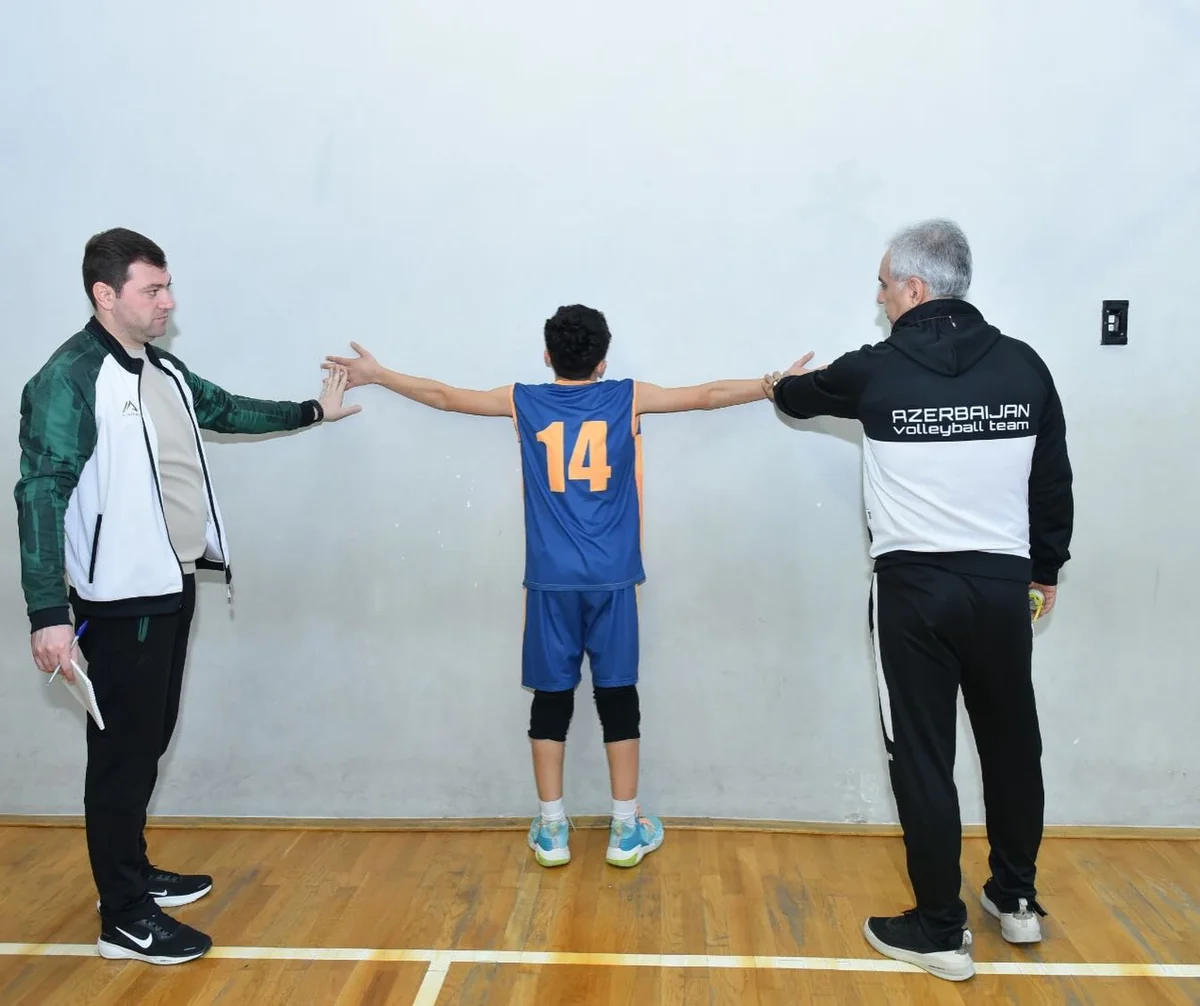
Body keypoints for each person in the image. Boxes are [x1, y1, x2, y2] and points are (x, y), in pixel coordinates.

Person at [326, 306, 801, 869]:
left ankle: (552, 829)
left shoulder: (524, 400)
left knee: (552, 698)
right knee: (618, 695)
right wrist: (772, 384)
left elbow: (445, 397)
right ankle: (625, 828)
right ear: (603, 360)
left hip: (551, 581)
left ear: (548, 354)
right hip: (613, 578)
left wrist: (379, 374)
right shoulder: (626, 397)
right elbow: (707, 395)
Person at [15, 228, 360, 966]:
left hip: (172, 582)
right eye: (152, 289)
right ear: (105, 294)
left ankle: (132, 873)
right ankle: (123, 918)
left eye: (167, 286)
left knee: (149, 739)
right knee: (122, 754)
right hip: (119, 600)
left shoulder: (162, 369)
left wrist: (313, 411)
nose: (168, 300)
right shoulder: (69, 379)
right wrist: (48, 614)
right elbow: (40, 494)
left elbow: (225, 408)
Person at [765, 220, 1072, 982]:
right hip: (1002, 591)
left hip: (914, 596)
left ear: (913, 287)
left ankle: (940, 927)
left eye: (882, 285)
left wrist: (777, 382)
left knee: (923, 758)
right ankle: (1016, 899)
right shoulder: (1025, 367)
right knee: (1012, 746)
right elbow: (1052, 483)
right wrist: (1044, 572)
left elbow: (799, 397)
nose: (879, 297)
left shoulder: (875, 370)